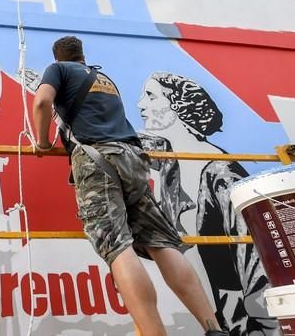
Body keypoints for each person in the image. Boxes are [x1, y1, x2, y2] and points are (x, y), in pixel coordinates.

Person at [32, 36, 227, 336]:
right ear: (83, 56)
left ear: (58, 58)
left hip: (98, 161)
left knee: (117, 247)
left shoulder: (59, 70)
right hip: (133, 159)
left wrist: (43, 143)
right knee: (162, 242)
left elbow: (42, 101)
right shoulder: (104, 79)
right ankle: (213, 327)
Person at [137, 72, 276, 335]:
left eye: (151, 96)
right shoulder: (170, 162)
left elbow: (255, 264)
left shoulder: (221, 174)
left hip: (249, 325)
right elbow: (116, 135)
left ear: (176, 105)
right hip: (223, 321)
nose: (140, 104)